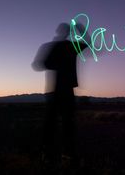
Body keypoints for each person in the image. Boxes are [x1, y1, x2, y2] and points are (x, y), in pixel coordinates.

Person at [32, 22, 90, 165]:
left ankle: (53, 154)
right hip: (62, 90)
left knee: (57, 123)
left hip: (56, 91)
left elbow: (38, 65)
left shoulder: (57, 47)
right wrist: (82, 30)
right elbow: (88, 42)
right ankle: (62, 154)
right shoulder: (70, 47)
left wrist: (55, 64)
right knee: (63, 123)